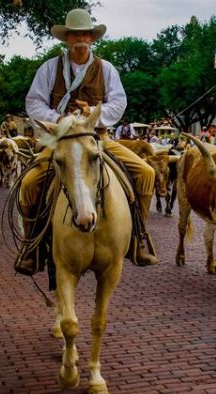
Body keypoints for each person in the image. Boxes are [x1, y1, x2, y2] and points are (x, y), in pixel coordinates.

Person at [18, 8, 158, 275]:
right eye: (74, 34)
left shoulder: (106, 69)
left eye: (84, 33)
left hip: (98, 138)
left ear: (92, 38)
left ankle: (139, 238)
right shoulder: (50, 68)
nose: (80, 38)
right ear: (66, 38)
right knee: (28, 184)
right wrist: (59, 118)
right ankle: (32, 247)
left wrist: (93, 114)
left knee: (147, 173)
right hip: (61, 140)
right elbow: (33, 102)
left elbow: (119, 104)